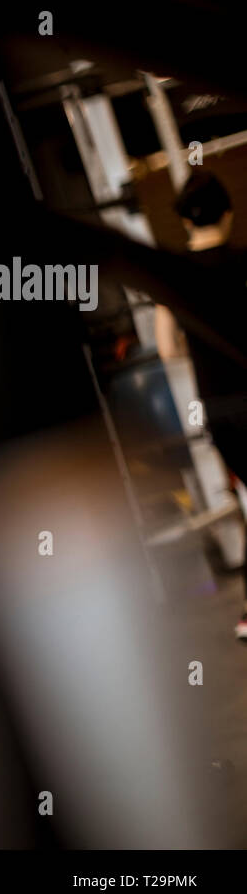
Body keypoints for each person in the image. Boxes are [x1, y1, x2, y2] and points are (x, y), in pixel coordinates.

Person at [162, 170, 247, 640]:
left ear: (186, 223)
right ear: (228, 213)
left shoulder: (171, 273)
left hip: (217, 410)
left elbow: (168, 348)